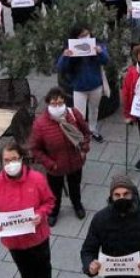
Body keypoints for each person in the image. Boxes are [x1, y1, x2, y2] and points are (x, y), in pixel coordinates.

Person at [0, 142, 56, 278]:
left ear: (22, 159)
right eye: (6, 160)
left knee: (43, 266)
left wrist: (41, 214)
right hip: (14, 241)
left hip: (38, 236)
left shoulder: (37, 179)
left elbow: (49, 201)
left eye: (14, 159)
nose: (10, 164)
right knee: (24, 269)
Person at [29, 87, 90, 225]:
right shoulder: (40, 124)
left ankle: (77, 205)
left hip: (75, 162)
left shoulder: (73, 114)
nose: (57, 106)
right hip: (55, 167)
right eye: (54, 103)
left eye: (60, 103)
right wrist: (50, 164)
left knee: (75, 186)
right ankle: (54, 211)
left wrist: (84, 149)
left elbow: (86, 132)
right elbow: (35, 149)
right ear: (48, 103)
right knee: (55, 192)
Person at [56, 25, 109, 141]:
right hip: (79, 88)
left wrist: (100, 53)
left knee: (94, 110)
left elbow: (106, 60)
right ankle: (81, 133)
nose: (85, 37)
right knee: (79, 115)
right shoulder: (70, 49)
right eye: (82, 35)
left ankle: (93, 130)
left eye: (87, 34)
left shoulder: (97, 45)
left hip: (96, 86)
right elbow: (60, 67)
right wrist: (65, 56)